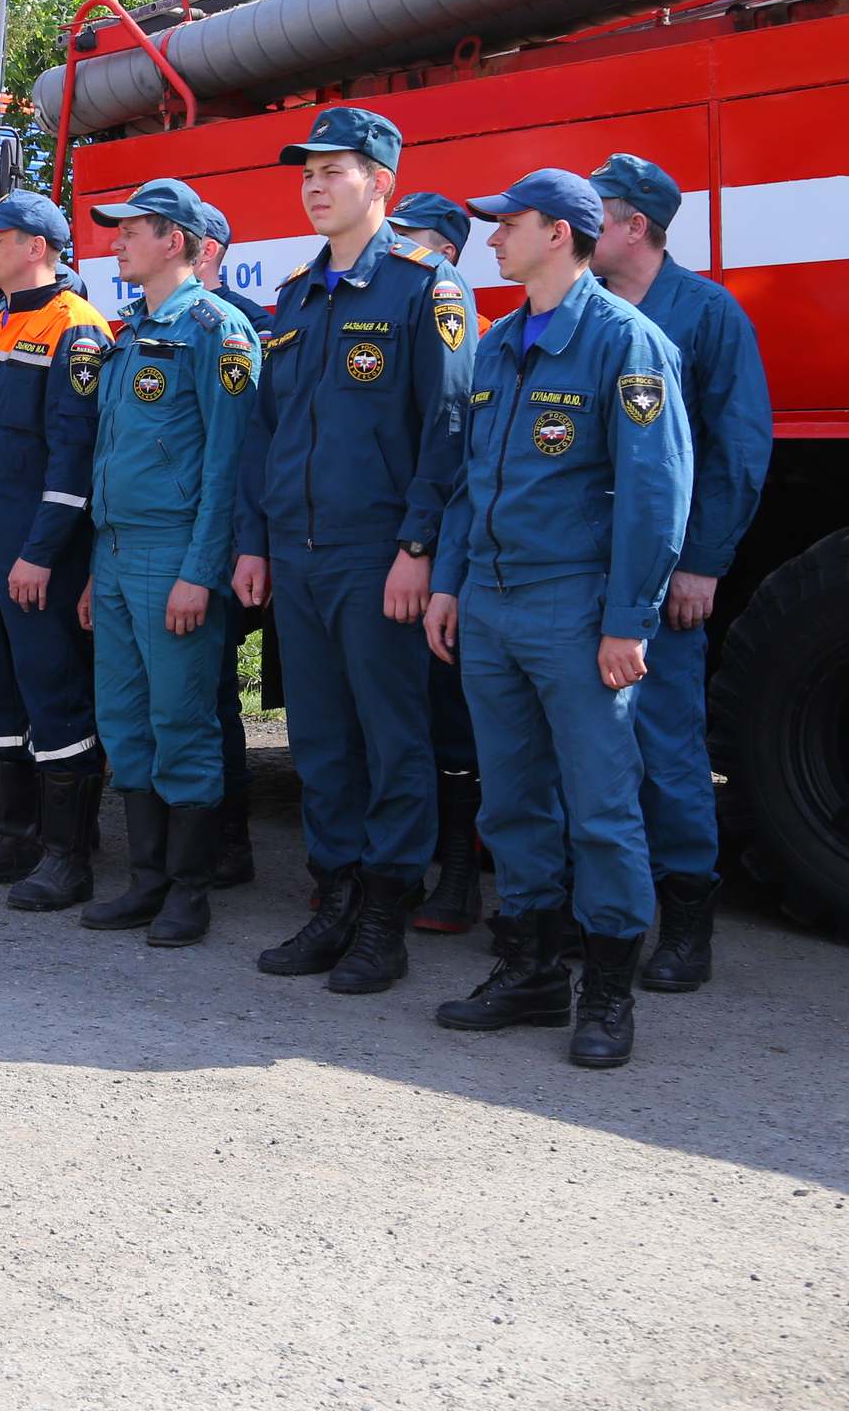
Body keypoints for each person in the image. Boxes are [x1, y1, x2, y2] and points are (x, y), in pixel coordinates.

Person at [427, 168, 692, 1069]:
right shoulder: (499, 346)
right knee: (511, 802)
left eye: (508, 223)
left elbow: (655, 495)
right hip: (494, 608)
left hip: (577, 611)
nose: (492, 237)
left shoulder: (627, 344)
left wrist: (629, 620)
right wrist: (449, 582)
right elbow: (471, 484)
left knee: (602, 806)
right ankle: (530, 969)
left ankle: (608, 991)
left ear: (559, 235)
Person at [231, 107, 477, 993]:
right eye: (307, 172)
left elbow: (447, 431)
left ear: (381, 185)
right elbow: (268, 432)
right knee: (321, 738)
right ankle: (333, 899)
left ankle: (384, 918)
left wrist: (418, 547)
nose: (314, 185)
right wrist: (255, 542)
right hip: (295, 555)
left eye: (334, 171)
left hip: (378, 552)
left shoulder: (426, 289)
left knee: (392, 735)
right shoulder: (294, 296)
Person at [590, 151, 773, 990]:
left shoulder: (706, 315)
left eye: (596, 211)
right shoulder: (579, 309)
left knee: (665, 750)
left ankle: (687, 925)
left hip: (662, 583)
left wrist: (701, 564)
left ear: (635, 224)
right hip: (580, 571)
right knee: (589, 751)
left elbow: (737, 450)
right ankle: (593, 919)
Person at [77, 183, 261, 944]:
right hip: (116, 554)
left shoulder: (219, 329)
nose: (117, 243)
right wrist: (94, 564)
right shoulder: (130, 331)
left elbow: (230, 463)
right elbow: (109, 457)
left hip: (174, 557)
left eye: (132, 231)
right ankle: (146, 881)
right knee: (125, 723)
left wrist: (201, 569)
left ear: (176, 241)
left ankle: (190, 889)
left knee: (181, 722)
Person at [0, 191, 113, 907]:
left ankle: (68, 855)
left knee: (55, 696)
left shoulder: (78, 328)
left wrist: (40, 553)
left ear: (37, 247)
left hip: (40, 558)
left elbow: (74, 460)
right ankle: (7, 835)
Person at [367, 191, 488, 933]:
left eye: (405, 237)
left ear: (440, 249)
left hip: (446, 552)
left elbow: (451, 440)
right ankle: (392, 874)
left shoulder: (462, 320)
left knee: (450, 720)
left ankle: (460, 880)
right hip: (391, 548)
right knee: (393, 716)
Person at [179, 195, 267, 888]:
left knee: (214, 695)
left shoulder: (246, 328)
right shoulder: (152, 326)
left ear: (206, 250)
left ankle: (228, 842)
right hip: (160, 546)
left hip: (223, 543)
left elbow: (244, 454)